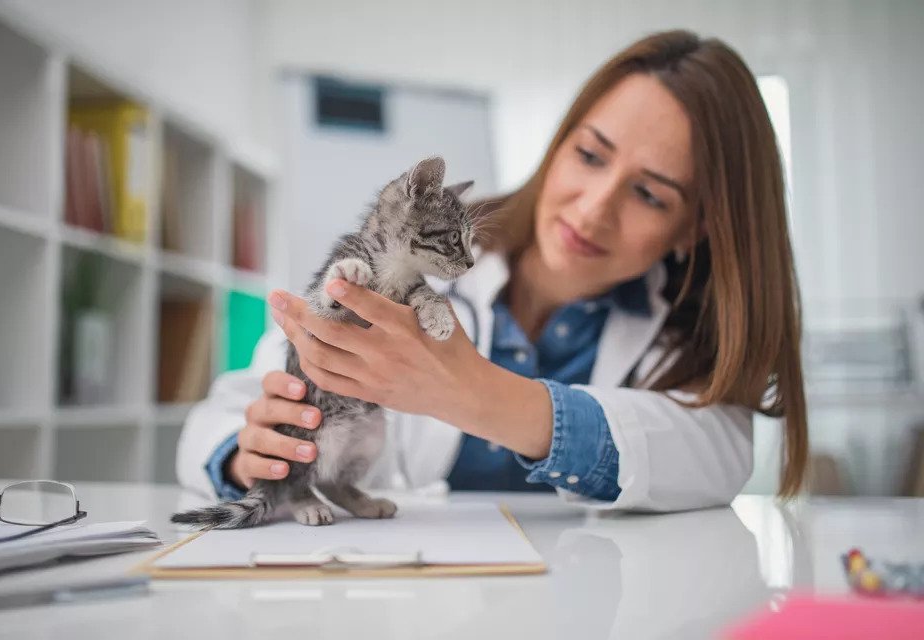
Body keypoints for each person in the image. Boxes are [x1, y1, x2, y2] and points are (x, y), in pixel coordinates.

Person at [176, 29, 808, 512]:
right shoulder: (408, 258)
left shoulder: (687, 335)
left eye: (650, 195)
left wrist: (481, 396)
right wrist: (248, 456)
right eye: (590, 155)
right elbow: (223, 413)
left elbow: (717, 455)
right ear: (560, 140)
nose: (594, 210)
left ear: (695, 225)